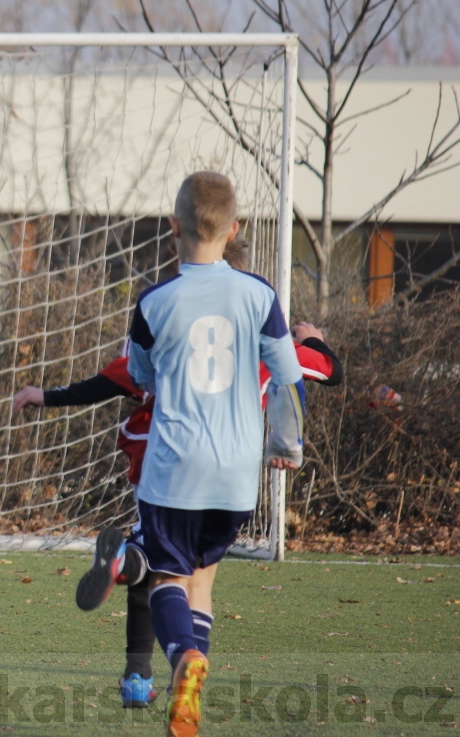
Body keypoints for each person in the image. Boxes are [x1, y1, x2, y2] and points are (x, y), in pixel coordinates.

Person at [12, 233, 341, 710]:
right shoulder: (264, 328)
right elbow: (325, 372)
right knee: (196, 577)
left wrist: (48, 396)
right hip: (230, 465)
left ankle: (137, 669)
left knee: (157, 565)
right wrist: (311, 341)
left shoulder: (167, 308)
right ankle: (157, 663)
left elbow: (117, 378)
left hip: (165, 454)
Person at [112, 172, 304, 736]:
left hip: (175, 470)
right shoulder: (259, 295)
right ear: (234, 228)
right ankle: (189, 693)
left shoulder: (154, 303)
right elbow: (290, 379)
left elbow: (142, 375)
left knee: (166, 581)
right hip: (236, 476)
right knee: (203, 581)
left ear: (172, 227)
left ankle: (185, 663)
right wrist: (286, 444)